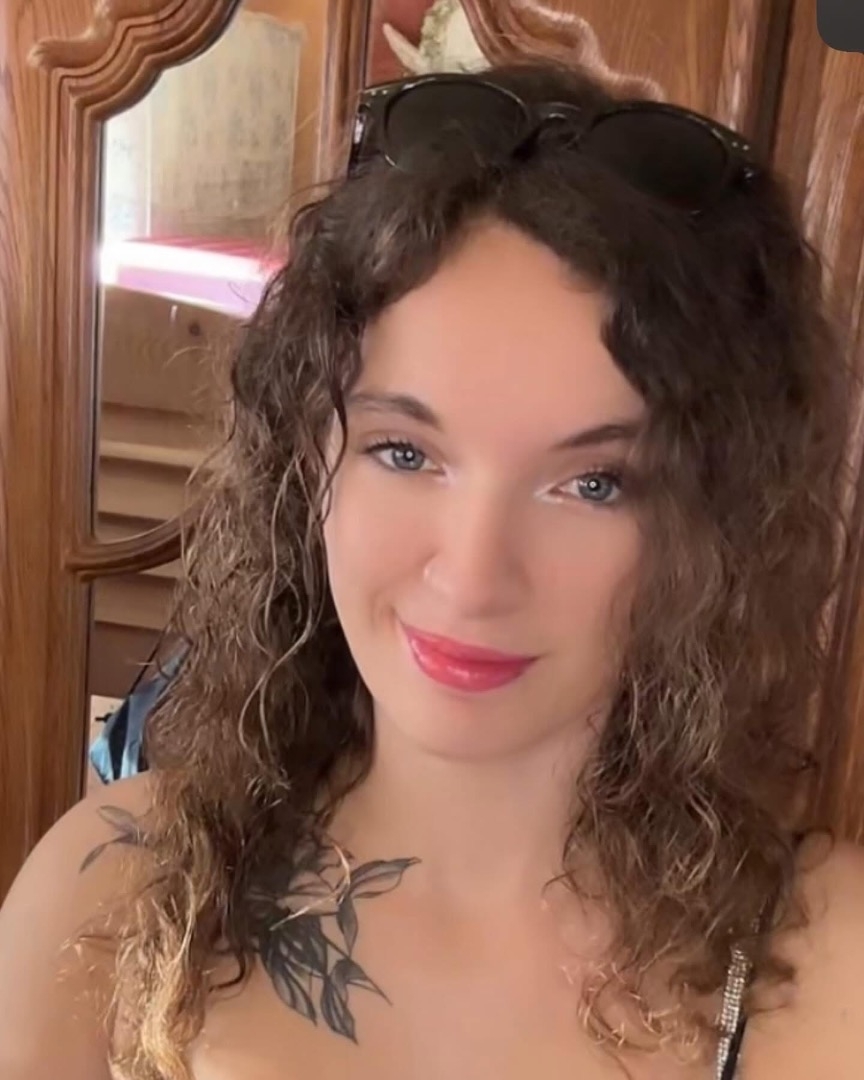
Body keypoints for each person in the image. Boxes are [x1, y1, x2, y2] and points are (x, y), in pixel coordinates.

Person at [1, 58, 863, 1080]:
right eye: (406, 453)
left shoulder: (828, 964)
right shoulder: (106, 895)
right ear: (307, 460)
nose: (471, 576)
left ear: (718, 518)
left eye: (593, 483)